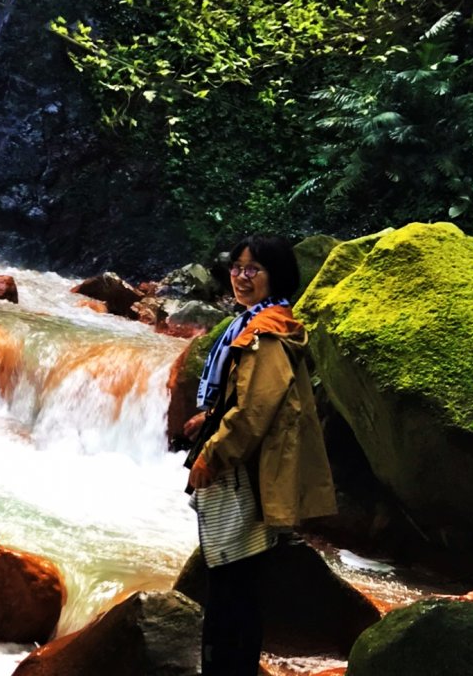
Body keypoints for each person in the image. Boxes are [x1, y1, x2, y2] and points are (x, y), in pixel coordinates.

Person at [183, 234, 336, 676]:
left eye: (254, 270)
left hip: (249, 474)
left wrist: (209, 457)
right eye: (236, 267)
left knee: (232, 587)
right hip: (252, 470)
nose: (241, 277)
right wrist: (208, 415)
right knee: (239, 583)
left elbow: (253, 413)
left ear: (278, 276)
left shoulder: (264, 335)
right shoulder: (258, 324)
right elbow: (245, 396)